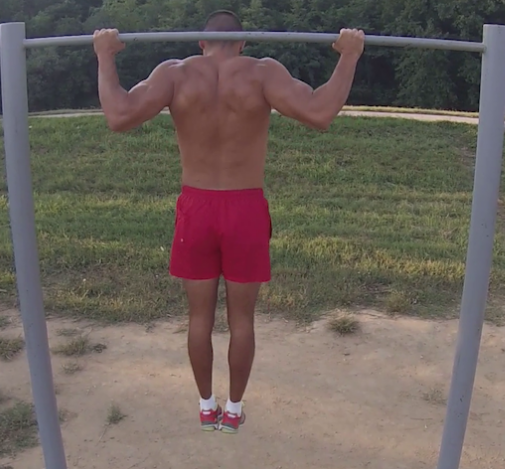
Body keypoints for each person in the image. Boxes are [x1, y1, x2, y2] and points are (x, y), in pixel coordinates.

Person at [93, 10, 365, 434]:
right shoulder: (262, 73)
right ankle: (234, 411)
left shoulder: (175, 73)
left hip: (197, 208)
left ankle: (207, 407)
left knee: (198, 318)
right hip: (245, 209)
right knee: (242, 320)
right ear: (242, 42)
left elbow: (118, 115)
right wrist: (349, 56)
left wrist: (105, 55)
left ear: (201, 42)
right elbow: (320, 112)